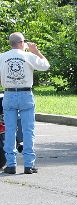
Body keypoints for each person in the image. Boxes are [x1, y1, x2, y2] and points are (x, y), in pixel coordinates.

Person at [0, 32, 50, 174]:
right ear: (22, 43)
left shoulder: (2, 57)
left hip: (9, 93)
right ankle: (28, 164)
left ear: (10, 43)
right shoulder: (28, 56)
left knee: (9, 130)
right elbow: (46, 65)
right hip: (25, 93)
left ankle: (11, 164)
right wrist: (36, 51)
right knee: (28, 130)